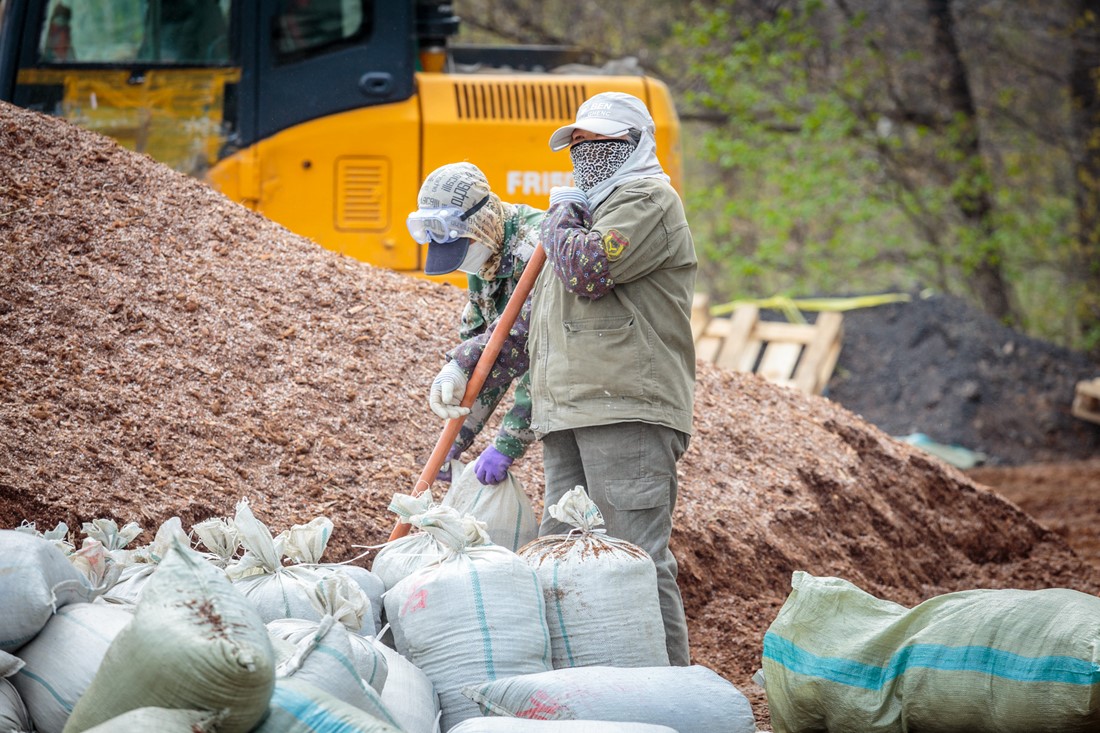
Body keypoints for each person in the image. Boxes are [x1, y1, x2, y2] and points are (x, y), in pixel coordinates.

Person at [427, 92, 697, 665]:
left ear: (635, 144)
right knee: (558, 554)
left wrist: (559, 217)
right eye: (579, 142)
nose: (586, 153)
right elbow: (527, 326)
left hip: (625, 406)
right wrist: (463, 362)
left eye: (601, 142)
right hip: (567, 411)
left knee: (636, 557)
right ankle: (585, 681)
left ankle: (670, 683)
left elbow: (588, 269)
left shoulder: (647, 199)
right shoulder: (580, 214)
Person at [409, 162, 545, 485]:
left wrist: (508, 443)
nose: (464, 263)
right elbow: (485, 359)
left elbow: (538, 350)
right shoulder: (486, 259)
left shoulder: (538, 246)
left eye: (462, 246)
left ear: (482, 223)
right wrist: (455, 439)